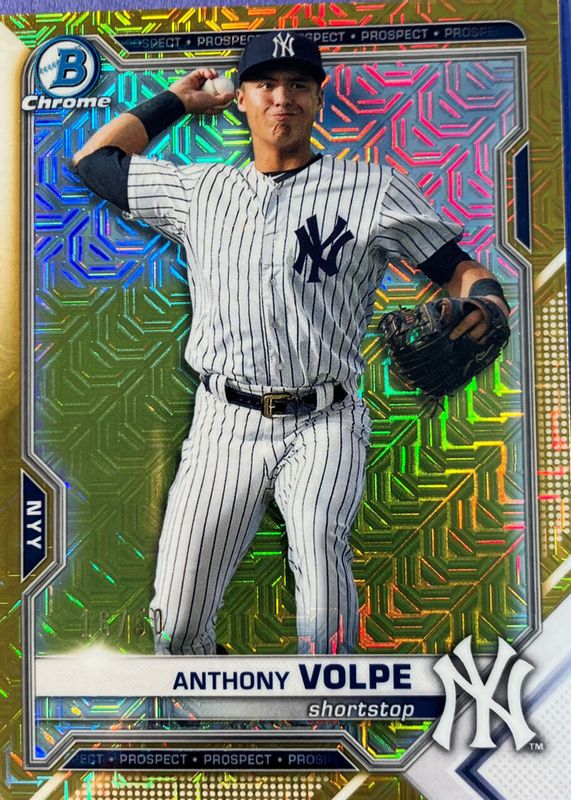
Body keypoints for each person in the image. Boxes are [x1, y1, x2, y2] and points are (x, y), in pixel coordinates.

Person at [73, 32, 509, 655]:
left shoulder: (373, 190)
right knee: (176, 628)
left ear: (318, 98)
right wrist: (177, 101)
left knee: (322, 584)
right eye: (266, 84)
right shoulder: (200, 192)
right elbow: (95, 162)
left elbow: (458, 269)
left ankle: (327, 706)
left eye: (299, 84)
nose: (283, 98)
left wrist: (488, 301)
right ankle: (220, 703)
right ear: (242, 99)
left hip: (325, 420)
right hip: (223, 423)